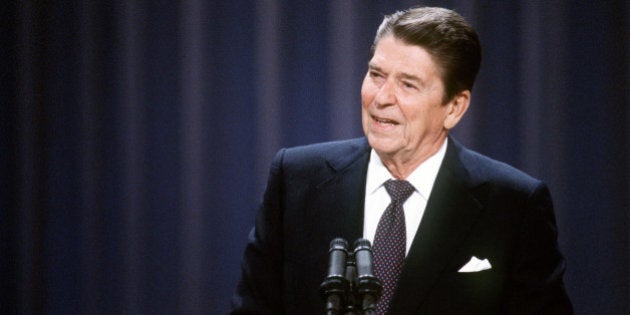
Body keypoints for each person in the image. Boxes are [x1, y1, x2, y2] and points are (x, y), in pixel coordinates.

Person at [231, 6, 572, 314]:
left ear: (454, 107)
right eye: (376, 75)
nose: (381, 98)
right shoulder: (296, 179)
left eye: (408, 85)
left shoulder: (514, 206)